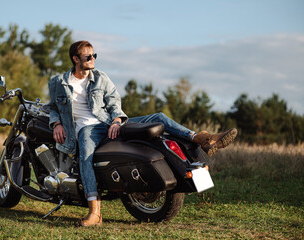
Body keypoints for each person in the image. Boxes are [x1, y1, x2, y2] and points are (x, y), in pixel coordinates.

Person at [48, 40, 237, 227]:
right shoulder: (59, 82)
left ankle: (202, 139)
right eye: (88, 56)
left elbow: (114, 101)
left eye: (94, 55)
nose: (93, 59)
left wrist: (116, 120)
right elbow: (53, 107)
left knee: (159, 117)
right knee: (85, 158)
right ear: (75, 59)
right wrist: (56, 123)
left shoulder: (100, 77)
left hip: (107, 122)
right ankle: (95, 213)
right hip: (85, 129)